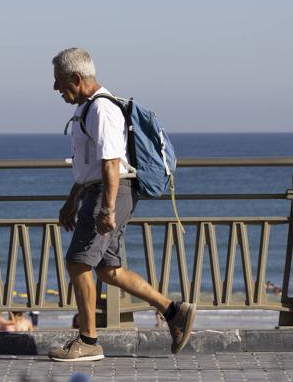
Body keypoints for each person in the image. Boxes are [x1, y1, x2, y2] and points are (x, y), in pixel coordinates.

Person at [47, 48, 196, 362]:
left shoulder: (102, 110)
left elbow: (111, 163)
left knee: (78, 262)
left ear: (76, 78)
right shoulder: (89, 108)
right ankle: (174, 312)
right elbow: (91, 164)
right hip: (101, 190)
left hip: (110, 191)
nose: (56, 89)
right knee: (109, 270)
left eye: (60, 82)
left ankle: (88, 341)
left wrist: (106, 208)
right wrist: (72, 199)